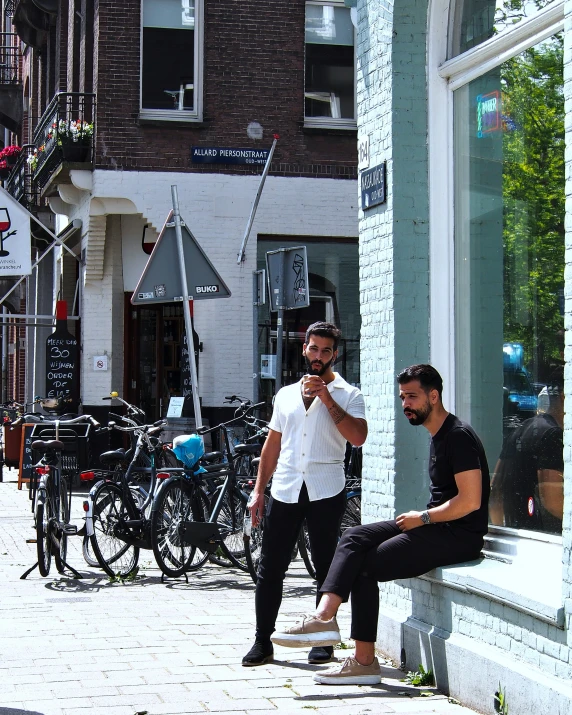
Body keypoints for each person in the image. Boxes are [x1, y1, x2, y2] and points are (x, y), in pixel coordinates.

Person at [271, 364, 489, 685]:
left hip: (457, 535)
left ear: (434, 395)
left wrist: (423, 518)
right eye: (402, 397)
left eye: (412, 397)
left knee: (363, 565)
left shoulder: (457, 437)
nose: (405, 405)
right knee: (354, 537)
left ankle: (362, 661)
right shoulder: (438, 435)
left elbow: (471, 501)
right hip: (437, 527)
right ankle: (323, 618)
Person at [242, 321, 368, 667]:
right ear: (304, 349)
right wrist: (258, 490)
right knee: (271, 569)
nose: (318, 356)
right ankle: (262, 641)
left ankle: (322, 640)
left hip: (326, 489)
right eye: (313, 348)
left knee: (326, 568)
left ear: (335, 355)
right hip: (284, 489)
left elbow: (358, 437)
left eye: (326, 350)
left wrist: (326, 397)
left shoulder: (349, 394)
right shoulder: (284, 395)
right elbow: (272, 446)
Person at [490, 378, 563, 534]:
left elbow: (495, 489)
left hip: (516, 536)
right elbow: (552, 500)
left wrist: (501, 533)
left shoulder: (522, 429)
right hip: (542, 539)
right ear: (564, 397)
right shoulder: (553, 435)